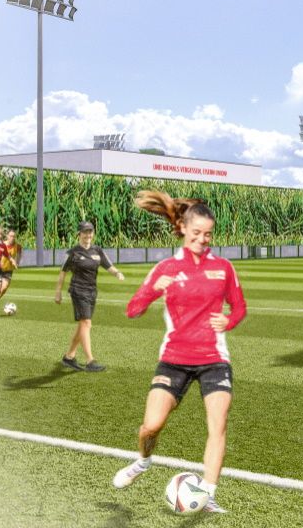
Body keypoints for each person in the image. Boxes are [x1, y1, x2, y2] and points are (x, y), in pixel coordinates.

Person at [113, 191, 247, 515]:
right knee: (151, 426)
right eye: (197, 232)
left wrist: (229, 321)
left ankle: (208, 493)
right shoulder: (167, 267)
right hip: (174, 358)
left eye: (208, 234)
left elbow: (240, 307)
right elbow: (132, 310)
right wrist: (154, 290)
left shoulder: (224, 268)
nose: (203, 239)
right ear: (183, 229)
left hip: (214, 359)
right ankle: (143, 461)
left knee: (218, 424)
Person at [54, 221, 124, 372]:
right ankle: (90, 360)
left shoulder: (97, 250)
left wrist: (117, 273)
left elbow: (109, 266)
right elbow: (63, 272)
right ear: (79, 234)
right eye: (85, 232)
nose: (88, 235)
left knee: (83, 325)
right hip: (78, 290)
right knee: (86, 323)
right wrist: (58, 292)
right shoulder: (72, 253)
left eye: (90, 232)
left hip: (92, 291)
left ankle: (69, 356)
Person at [0, 229, 23, 309]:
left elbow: (20, 252)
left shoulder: (17, 246)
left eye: (14, 236)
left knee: (4, 287)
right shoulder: (2, 245)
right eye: (11, 236)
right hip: (0, 268)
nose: (12, 238)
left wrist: (17, 261)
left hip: (9, 269)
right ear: (7, 236)